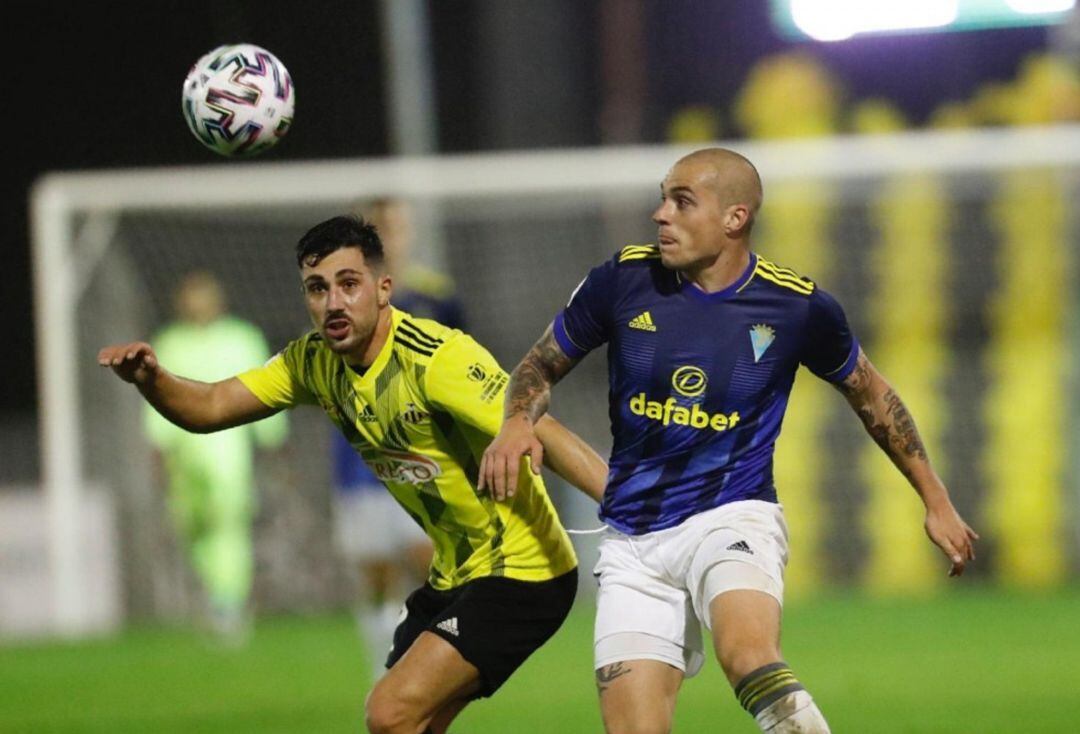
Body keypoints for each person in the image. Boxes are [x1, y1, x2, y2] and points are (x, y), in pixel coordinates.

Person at [480, 148, 979, 734]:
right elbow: (539, 365)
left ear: (734, 218)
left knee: (747, 657)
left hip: (731, 516)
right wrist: (517, 420)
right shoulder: (622, 280)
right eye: (663, 198)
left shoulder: (795, 306)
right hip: (633, 543)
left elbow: (873, 397)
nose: (660, 214)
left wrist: (935, 498)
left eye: (681, 201)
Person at [99, 215, 606, 734]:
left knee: (390, 712)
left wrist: (633, 511)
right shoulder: (312, 363)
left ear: (383, 289)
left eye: (348, 284)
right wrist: (150, 380)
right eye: (317, 289)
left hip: (524, 573)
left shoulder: (437, 359)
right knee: (412, 723)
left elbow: (547, 431)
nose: (333, 302)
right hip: (454, 576)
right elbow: (210, 406)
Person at [330, 197, 465, 675]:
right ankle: (381, 671)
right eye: (380, 227)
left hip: (424, 456)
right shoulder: (341, 298)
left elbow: (463, 373)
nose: (391, 236)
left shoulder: (438, 297)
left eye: (398, 226)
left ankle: (419, 670)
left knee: (429, 567)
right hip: (361, 459)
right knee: (375, 575)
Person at [144, 270, 287, 640]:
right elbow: (156, 399)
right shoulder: (170, 342)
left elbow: (264, 389)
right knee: (192, 528)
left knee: (229, 529)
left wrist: (273, 441)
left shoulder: (242, 338)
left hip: (229, 453)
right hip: (183, 456)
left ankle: (228, 604)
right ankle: (215, 594)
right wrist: (158, 450)